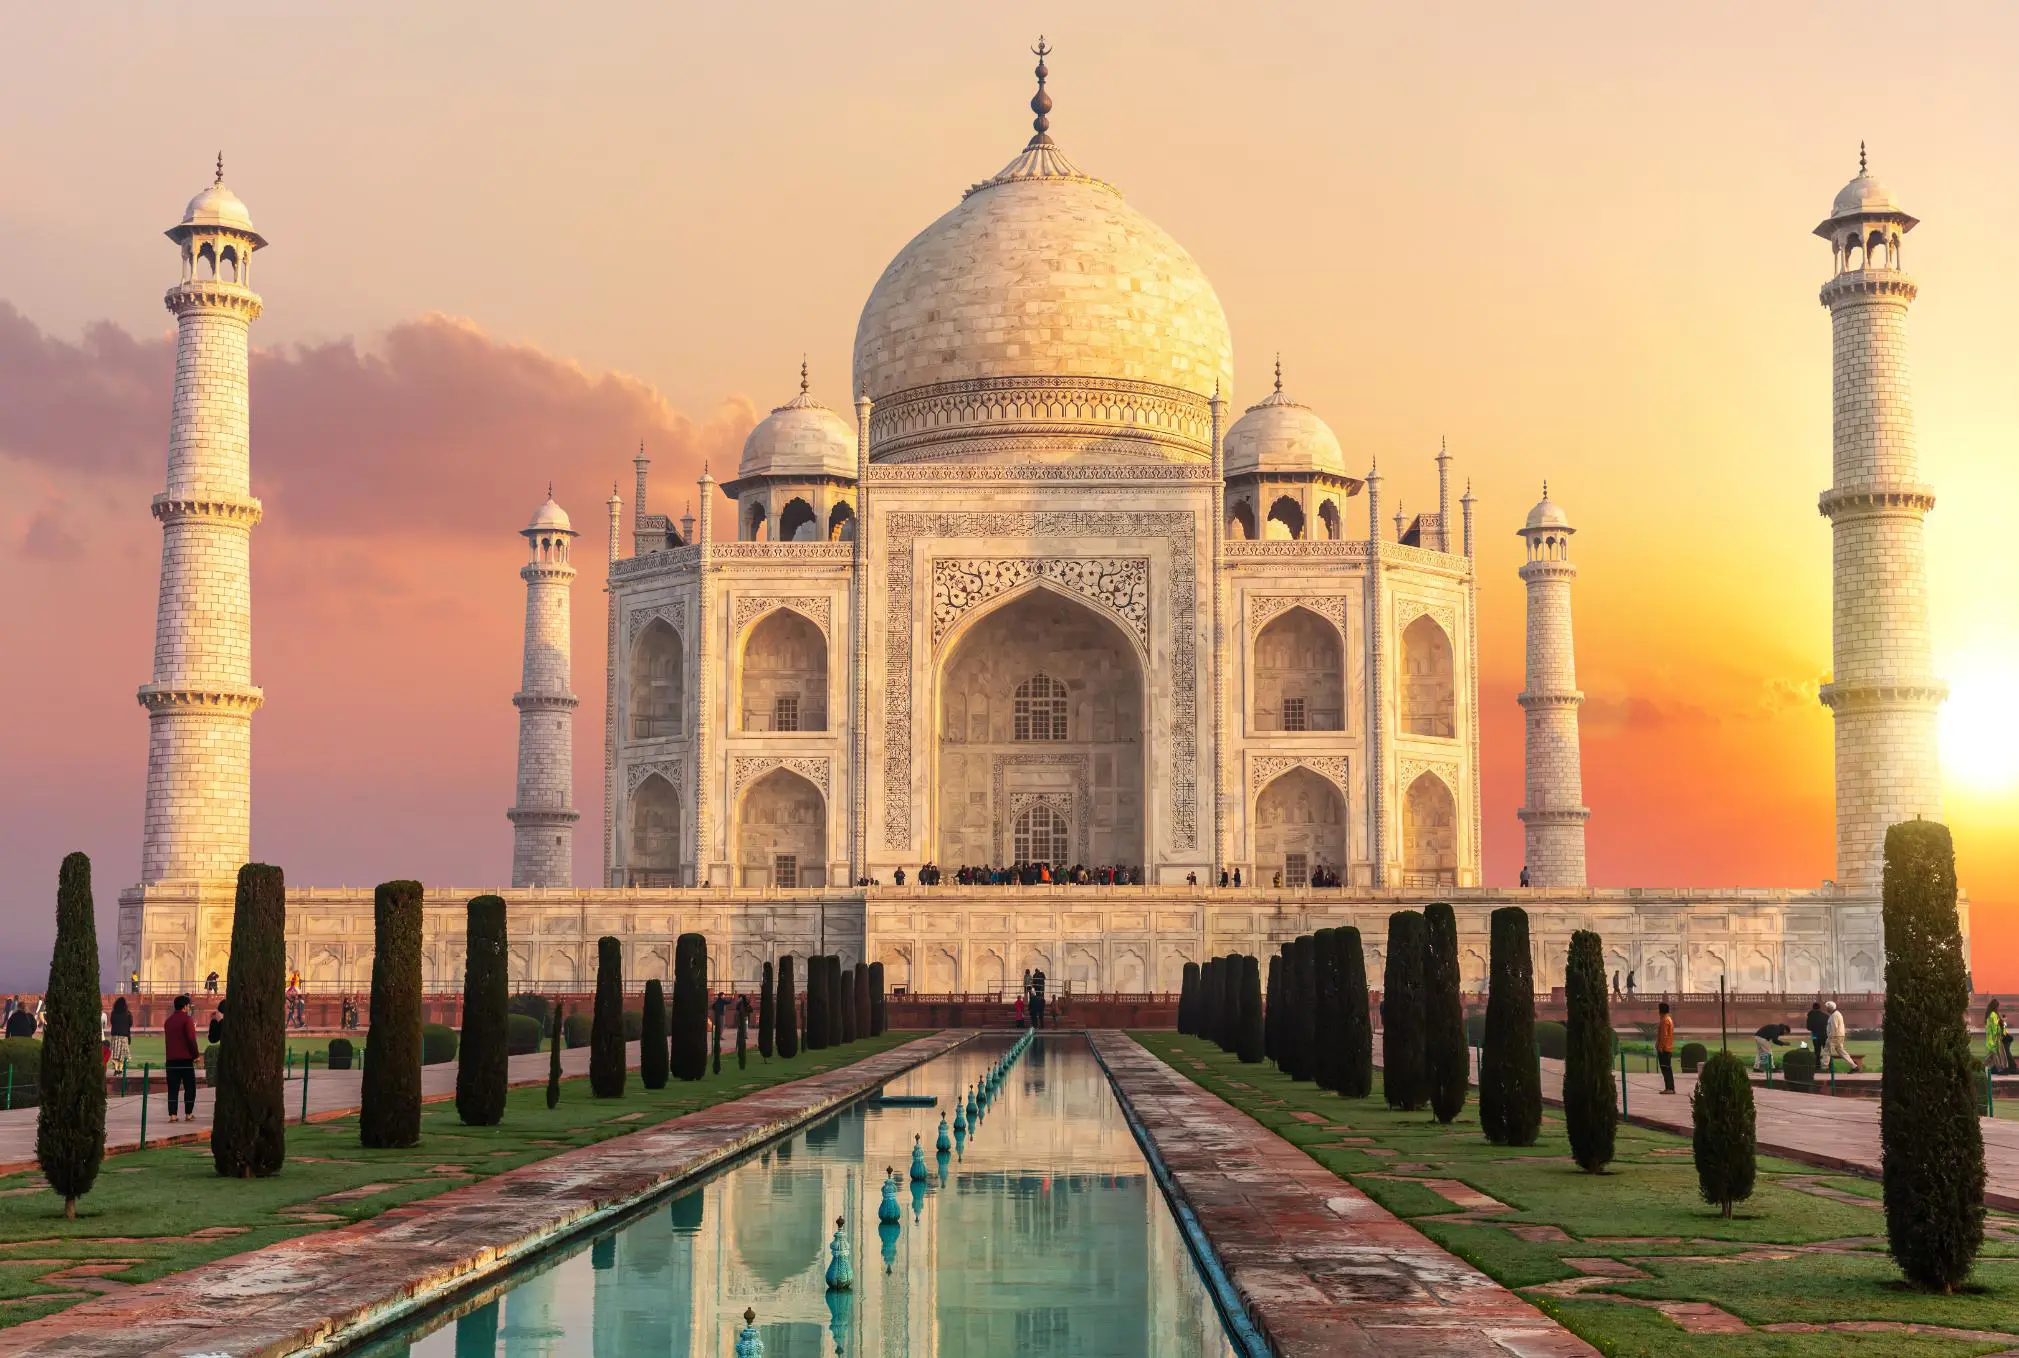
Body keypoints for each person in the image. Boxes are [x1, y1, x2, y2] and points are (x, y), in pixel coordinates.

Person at [164, 994, 199, 1123]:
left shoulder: (168, 1021)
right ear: (185, 1006)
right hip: (185, 1059)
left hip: (171, 1059)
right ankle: (188, 1113)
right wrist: (195, 1055)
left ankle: (173, 1115)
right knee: (190, 1087)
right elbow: (191, 1039)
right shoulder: (187, 1020)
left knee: (173, 1088)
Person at [1822, 1000, 1862, 1071]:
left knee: (1827, 1051)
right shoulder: (1837, 1014)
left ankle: (1824, 1068)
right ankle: (1854, 1066)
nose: (1826, 1009)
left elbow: (1834, 1027)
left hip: (1834, 1036)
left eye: (1827, 1007)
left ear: (1830, 1008)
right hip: (1839, 1036)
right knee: (1842, 1052)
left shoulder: (1834, 1015)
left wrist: (1830, 1037)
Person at [108, 996, 133, 1078]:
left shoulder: (113, 1013)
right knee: (122, 1055)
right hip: (124, 1036)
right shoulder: (128, 1013)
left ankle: (116, 1069)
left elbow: (112, 1022)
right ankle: (120, 1069)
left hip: (115, 1036)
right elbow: (130, 1024)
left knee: (115, 1054)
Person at [1988, 999, 2014, 1074]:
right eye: (1997, 1006)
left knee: (1996, 1053)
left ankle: (1996, 1068)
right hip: (1996, 1037)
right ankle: (2002, 1068)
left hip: (1997, 1037)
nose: (1998, 1008)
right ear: (1995, 1007)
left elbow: (2000, 1025)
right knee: (1998, 1053)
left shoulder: (1994, 1014)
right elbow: (1995, 1026)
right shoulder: (1993, 1015)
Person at [1655, 1001, 1676, 1094]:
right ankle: (1670, 1088)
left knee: (1665, 1069)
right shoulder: (1669, 1019)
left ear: (1661, 1010)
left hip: (1664, 1048)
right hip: (1668, 1047)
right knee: (1667, 1068)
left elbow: (1664, 1036)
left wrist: (1660, 1046)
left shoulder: (1664, 1020)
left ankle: (1669, 1088)